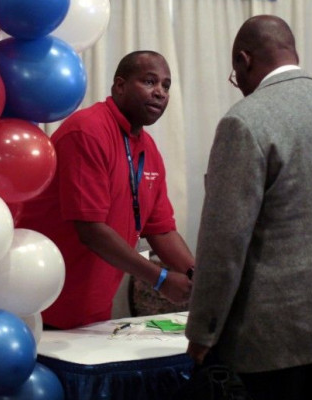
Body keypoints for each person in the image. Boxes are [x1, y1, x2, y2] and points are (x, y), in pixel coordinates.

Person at [185, 15, 312, 400]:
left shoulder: (244, 121)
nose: (237, 84)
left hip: (279, 339)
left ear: (244, 60)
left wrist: (203, 330)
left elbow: (224, 241)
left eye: (234, 74)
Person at [18, 51, 195, 329]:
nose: (160, 92)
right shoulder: (87, 131)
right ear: (120, 86)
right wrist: (159, 279)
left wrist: (196, 276)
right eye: (150, 82)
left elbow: (160, 229)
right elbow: (91, 230)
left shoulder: (148, 150)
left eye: (166, 85)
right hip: (42, 307)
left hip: (93, 312)